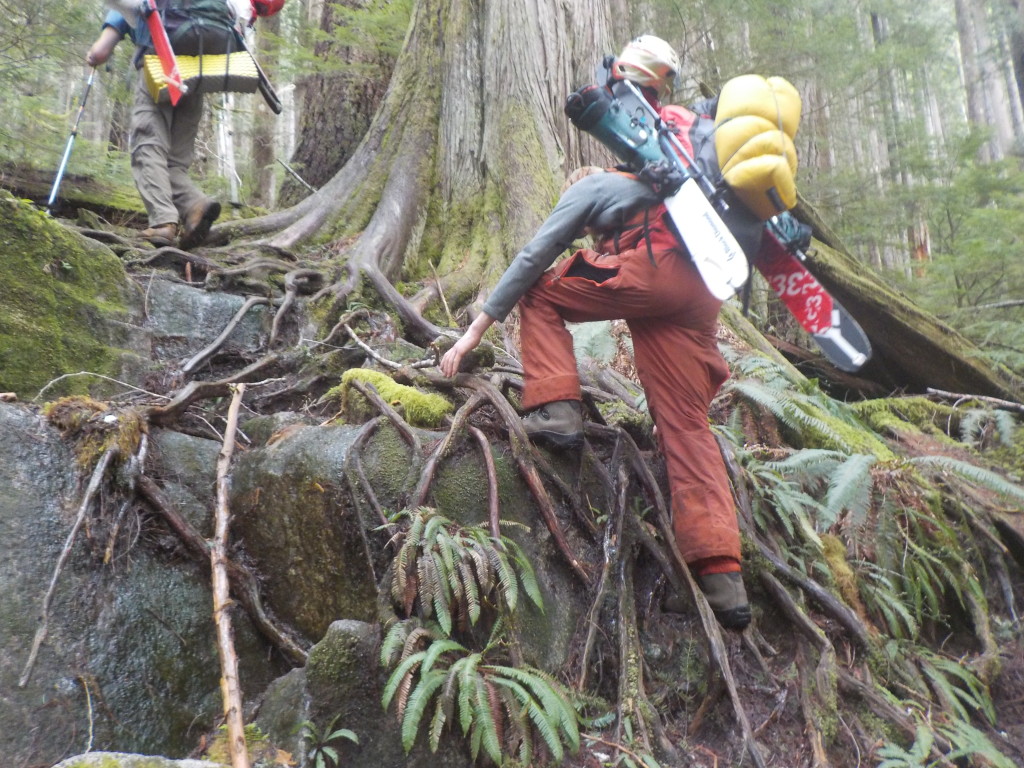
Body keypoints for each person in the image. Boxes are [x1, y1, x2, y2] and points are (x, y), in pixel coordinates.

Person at [439, 35, 757, 631]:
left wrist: (472, 334)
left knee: (540, 289)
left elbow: (533, 257)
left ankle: (557, 412)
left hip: (655, 267)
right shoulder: (690, 162)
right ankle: (721, 576)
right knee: (687, 426)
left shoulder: (594, 186)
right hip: (702, 293)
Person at [86, 0, 283, 249]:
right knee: (176, 159)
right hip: (199, 67)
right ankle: (194, 206)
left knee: (148, 144)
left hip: (160, 66)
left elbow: (101, 51)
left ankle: (162, 223)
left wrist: (93, 56)